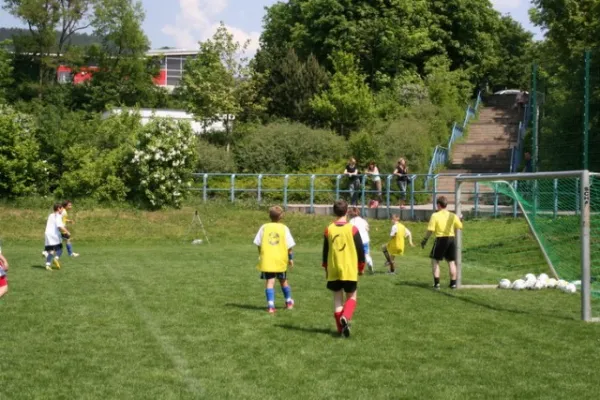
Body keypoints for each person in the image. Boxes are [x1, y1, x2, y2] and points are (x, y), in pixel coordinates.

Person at [322, 199, 365, 337]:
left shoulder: (329, 229)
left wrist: (326, 267)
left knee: (337, 300)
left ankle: (341, 330)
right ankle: (346, 317)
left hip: (334, 269)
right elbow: (360, 250)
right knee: (352, 297)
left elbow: (325, 251)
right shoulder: (352, 229)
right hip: (349, 269)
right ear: (347, 211)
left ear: (334, 212)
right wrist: (361, 266)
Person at [253, 205, 296, 314]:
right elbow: (289, 246)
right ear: (281, 216)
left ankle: (271, 306)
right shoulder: (284, 228)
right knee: (283, 281)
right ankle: (288, 302)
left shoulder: (264, 227)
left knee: (270, 281)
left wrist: (261, 253)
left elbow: (258, 243)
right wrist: (290, 258)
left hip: (267, 259)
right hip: (280, 259)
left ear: (269, 215)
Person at [420, 196, 463, 289]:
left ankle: (437, 284)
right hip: (451, 239)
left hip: (441, 239)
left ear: (438, 205)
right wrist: (460, 219)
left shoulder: (435, 215)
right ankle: (453, 284)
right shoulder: (453, 215)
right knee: (451, 262)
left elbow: (430, 230)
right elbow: (460, 226)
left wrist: (425, 240)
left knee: (435, 261)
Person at [44, 203, 70, 271]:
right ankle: (56, 259)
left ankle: (47, 265)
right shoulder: (58, 216)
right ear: (58, 209)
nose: (62, 210)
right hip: (54, 234)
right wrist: (67, 232)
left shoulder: (50, 215)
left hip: (47, 234)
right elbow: (60, 226)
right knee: (60, 249)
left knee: (51, 251)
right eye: (61, 208)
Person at [348, 207, 374, 273]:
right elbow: (368, 229)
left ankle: (357, 268)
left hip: (357, 240)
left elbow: (350, 232)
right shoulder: (363, 220)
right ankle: (370, 263)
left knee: (356, 255)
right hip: (365, 240)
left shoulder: (351, 222)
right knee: (366, 254)